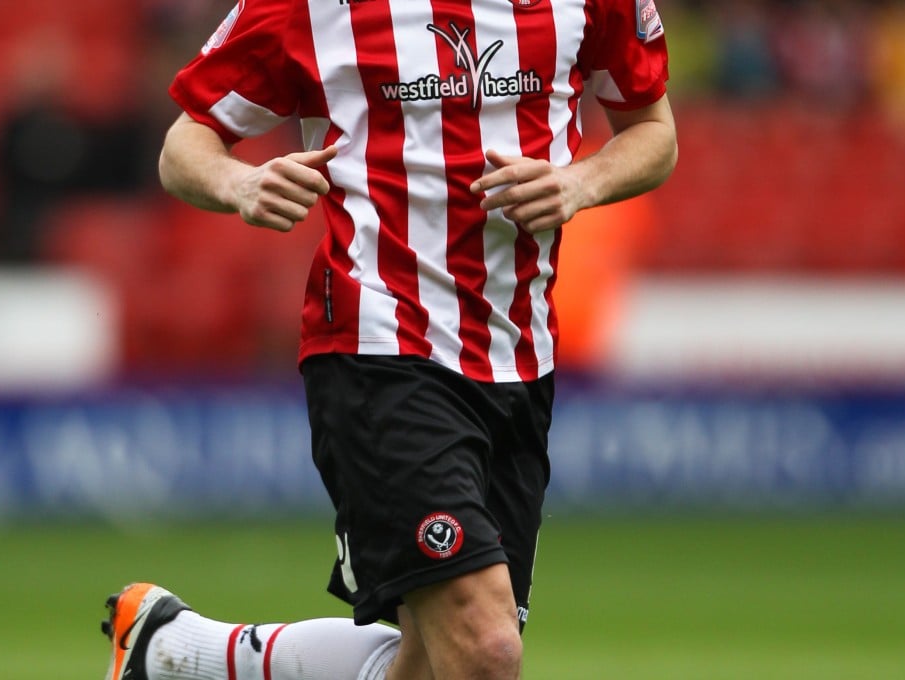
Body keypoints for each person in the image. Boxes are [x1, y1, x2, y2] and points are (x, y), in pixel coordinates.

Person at [101, 0, 677, 678]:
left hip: (517, 357)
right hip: (379, 345)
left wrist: (581, 182)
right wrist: (243, 182)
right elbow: (185, 144)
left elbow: (654, 130)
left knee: (436, 662)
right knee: (486, 650)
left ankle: (176, 652)